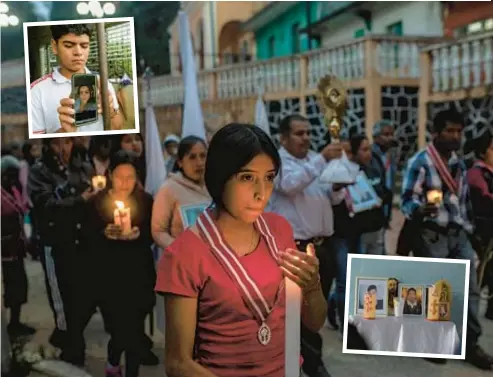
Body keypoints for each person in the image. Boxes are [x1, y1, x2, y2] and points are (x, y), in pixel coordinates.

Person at [156, 123, 327, 377]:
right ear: (220, 177)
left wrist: (312, 286)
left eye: (269, 177)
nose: (261, 193)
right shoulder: (185, 254)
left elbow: (313, 322)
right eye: (247, 177)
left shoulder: (279, 231)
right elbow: (178, 363)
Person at [401, 109, 493, 370]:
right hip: (432, 234)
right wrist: (419, 210)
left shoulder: (459, 162)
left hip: (458, 233)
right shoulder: (421, 161)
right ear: (436, 133)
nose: (455, 136)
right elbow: (407, 200)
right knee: (436, 291)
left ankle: (470, 344)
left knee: (469, 291)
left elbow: (463, 202)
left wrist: (470, 230)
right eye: (450, 131)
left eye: (459, 132)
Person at [268, 114, 343, 377]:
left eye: (309, 132)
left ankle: (305, 360)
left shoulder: (313, 160)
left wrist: (337, 186)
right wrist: (323, 159)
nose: (306, 138)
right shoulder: (277, 162)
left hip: (322, 245)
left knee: (316, 308)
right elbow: (289, 185)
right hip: (296, 248)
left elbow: (331, 199)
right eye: (299, 133)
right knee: (301, 310)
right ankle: (311, 364)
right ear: (284, 137)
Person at [82, 150, 156, 377]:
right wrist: (104, 232)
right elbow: (85, 237)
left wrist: (139, 233)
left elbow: (152, 234)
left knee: (134, 329)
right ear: (110, 174)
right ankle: (114, 360)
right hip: (109, 276)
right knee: (119, 330)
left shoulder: (145, 201)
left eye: (131, 177)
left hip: (139, 274)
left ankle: (130, 372)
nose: (126, 183)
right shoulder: (97, 202)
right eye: (120, 176)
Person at [27, 138, 97, 352]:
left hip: (82, 242)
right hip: (55, 244)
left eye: (66, 142)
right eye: (57, 144)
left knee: (88, 296)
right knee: (63, 302)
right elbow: (46, 205)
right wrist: (79, 200)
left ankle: (66, 337)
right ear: (48, 146)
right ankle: (71, 346)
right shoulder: (40, 172)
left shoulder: (82, 166)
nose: (63, 149)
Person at [30, 24, 123, 134]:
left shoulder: (102, 83)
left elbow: (118, 128)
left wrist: (111, 113)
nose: (78, 52)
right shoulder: (36, 91)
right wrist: (64, 132)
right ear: (54, 46)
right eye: (69, 45)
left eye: (84, 46)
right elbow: (37, 145)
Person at [152, 136, 210, 249]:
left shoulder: (215, 186)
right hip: (184, 261)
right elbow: (158, 232)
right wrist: (180, 250)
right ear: (180, 162)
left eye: (203, 156)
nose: (199, 162)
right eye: (192, 157)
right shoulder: (169, 189)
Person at [1, 156, 36, 338]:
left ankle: (16, 320)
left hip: (18, 245)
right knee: (12, 284)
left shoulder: (14, 190)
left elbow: (22, 212)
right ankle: (12, 324)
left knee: (21, 284)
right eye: (11, 175)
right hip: (6, 248)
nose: (14, 178)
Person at [467, 128, 493, 320]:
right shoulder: (477, 173)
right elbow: (484, 199)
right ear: (483, 152)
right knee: (482, 274)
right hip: (484, 231)